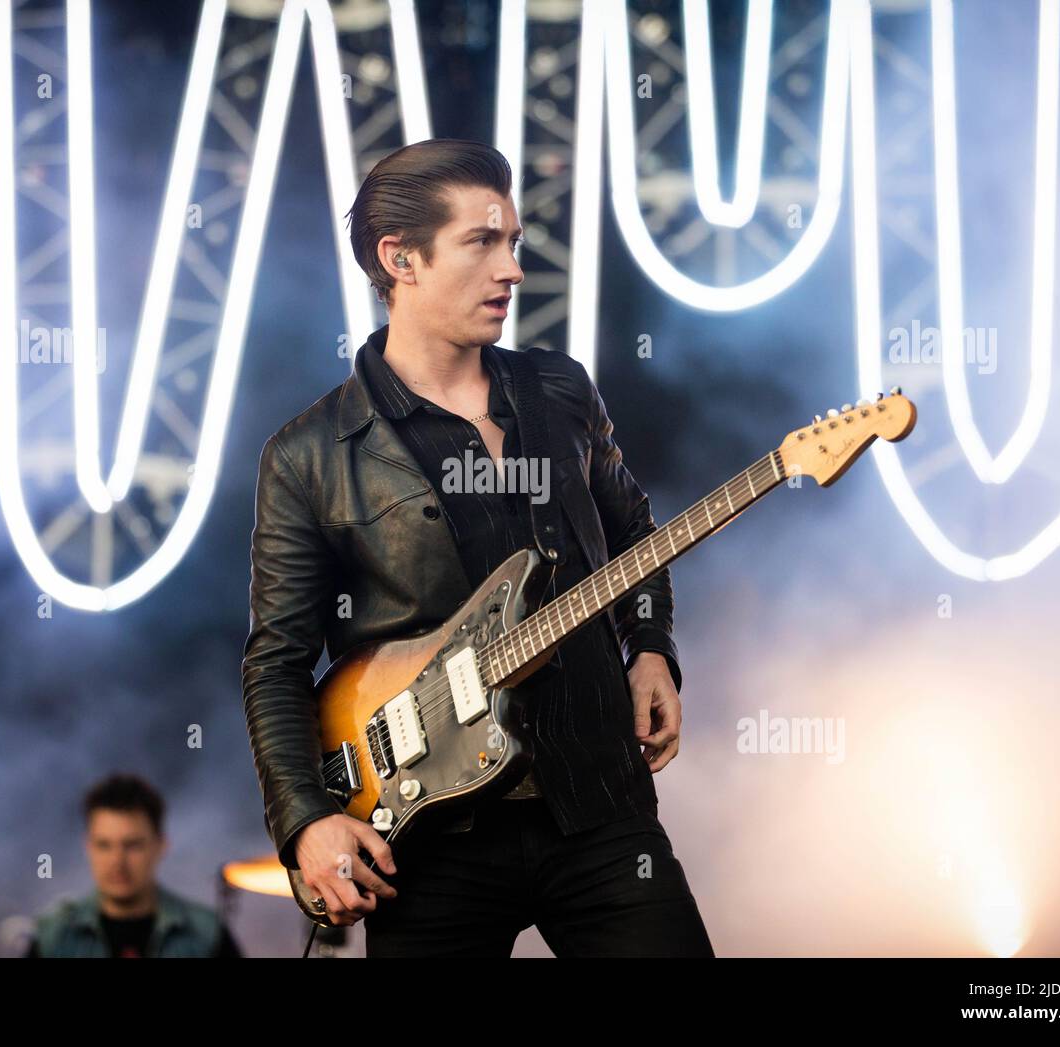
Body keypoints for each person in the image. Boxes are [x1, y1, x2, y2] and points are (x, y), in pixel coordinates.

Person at [241, 138, 713, 957]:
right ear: (401, 260)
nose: (513, 271)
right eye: (482, 242)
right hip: (429, 840)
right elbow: (276, 662)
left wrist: (650, 648)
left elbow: (635, 529)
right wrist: (308, 820)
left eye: (515, 243)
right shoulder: (311, 453)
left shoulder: (560, 392)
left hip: (595, 803)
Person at [24, 774, 242, 958]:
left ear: (160, 845)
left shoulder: (205, 934)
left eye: (132, 845)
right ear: (88, 846)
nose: (117, 861)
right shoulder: (53, 936)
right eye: (104, 845)